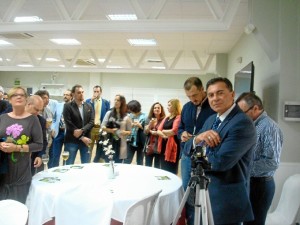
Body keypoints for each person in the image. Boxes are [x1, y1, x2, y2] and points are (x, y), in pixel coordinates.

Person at [184, 77, 257, 225]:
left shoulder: (242, 122)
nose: (215, 98)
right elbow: (187, 149)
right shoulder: (211, 119)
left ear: (232, 94)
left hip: (225, 200)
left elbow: (220, 162)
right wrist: (198, 138)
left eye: (220, 93)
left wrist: (197, 155)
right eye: (211, 95)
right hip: (204, 195)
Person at [236, 92, 283, 225]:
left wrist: (243, 167)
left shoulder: (269, 127)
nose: (240, 117)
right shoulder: (253, 126)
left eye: (243, 112)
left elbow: (272, 162)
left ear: (255, 108)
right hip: (250, 182)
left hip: (260, 185)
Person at [178, 77, 215, 225]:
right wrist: (181, 134)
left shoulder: (213, 107)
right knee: (188, 190)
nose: (192, 99)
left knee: (204, 192)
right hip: (187, 155)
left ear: (202, 90)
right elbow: (180, 127)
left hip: (206, 157)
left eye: (195, 95)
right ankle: (191, 221)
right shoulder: (187, 107)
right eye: (189, 96)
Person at [0, 87, 43, 203]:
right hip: (2, 170)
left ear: (26, 99)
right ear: (9, 100)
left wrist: (17, 148)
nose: (18, 97)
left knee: (19, 206)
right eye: (15, 95)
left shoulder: (33, 120)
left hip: (21, 171)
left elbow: (39, 145)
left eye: (22, 95)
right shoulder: (2, 118)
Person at [63, 84, 94, 165]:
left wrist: (82, 130)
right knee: (68, 165)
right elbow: (68, 123)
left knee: (86, 165)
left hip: (86, 141)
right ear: (73, 94)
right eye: (79, 92)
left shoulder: (89, 106)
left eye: (82, 92)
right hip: (71, 140)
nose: (82, 94)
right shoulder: (67, 106)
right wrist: (81, 137)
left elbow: (91, 122)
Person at [101, 94, 131, 163]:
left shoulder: (127, 116)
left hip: (121, 142)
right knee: (108, 161)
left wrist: (124, 132)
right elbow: (102, 126)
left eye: (118, 100)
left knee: (118, 163)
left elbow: (130, 131)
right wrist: (110, 130)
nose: (116, 102)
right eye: (115, 100)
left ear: (122, 102)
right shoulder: (109, 113)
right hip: (109, 141)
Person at [85, 85, 110, 162]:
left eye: (97, 91)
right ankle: (87, 164)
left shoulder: (106, 102)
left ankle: (99, 165)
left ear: (101, 92)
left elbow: (108, 115)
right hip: (91, 128)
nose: (96, 93)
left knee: (100, 148)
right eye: (94, 91)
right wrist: (91, 102)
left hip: (101, 128)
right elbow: (86, 113)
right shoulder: (88, 101)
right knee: (89, 148)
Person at [157, 99, 181, 174]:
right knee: (163, 169)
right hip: (163, 146)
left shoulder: (178, 117)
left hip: (172, 146)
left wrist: (163, 131)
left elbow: (174, 131)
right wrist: (164, 135)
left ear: (175, 106)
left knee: (171, 169)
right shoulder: (167, 117)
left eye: (169, 105)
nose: (167, 107)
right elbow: (158, 130)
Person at [49, 89, 72, 168]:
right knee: (55, 155)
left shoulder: (73, 106)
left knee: (66, 155)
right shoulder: (59, 105)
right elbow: (54, 118)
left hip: (68, 134)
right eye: (64, 94)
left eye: (67, 95)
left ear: (71, 96)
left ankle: (64, 169)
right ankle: (54, 170)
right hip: (58, 133)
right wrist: (52, 128)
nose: (65, 96)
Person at [25, 95, 47, 175]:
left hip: (31, 159)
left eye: (40, 111)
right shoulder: (13, 116)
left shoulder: (41, 121)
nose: (38, 113)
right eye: (36, 109)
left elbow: (43, 141)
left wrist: (40, 155)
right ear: (28, 104)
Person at [144, 102, 166, 168]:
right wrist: (150, 124)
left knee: (158, 167)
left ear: (161, 109)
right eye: (155, 108)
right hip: (149, 146)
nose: (156, 109)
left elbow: (165, 132)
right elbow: (145, 132)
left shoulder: (164, 119)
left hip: (159, 146)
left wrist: (156, 132)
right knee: (148, 166)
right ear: (152, 110)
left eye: (158, 108)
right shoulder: (148, 119)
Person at [124, 100, 146, 165]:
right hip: (130, 141)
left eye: (130, 109)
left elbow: (147, 130)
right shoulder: (130, 115)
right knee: (127, 160)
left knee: (140, 161)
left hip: (140, 142)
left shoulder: (145, 116)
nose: (129, 110)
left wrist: (140, 126)